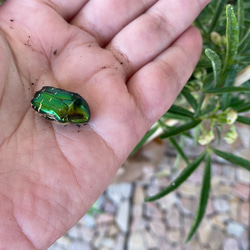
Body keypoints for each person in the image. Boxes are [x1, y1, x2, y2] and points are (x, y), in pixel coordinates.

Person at [0, 0, 210, 248]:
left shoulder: (49, 106)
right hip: (69, 104)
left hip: (71, 105)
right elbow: (55, 108)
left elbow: (56, 110)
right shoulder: (46, 103)